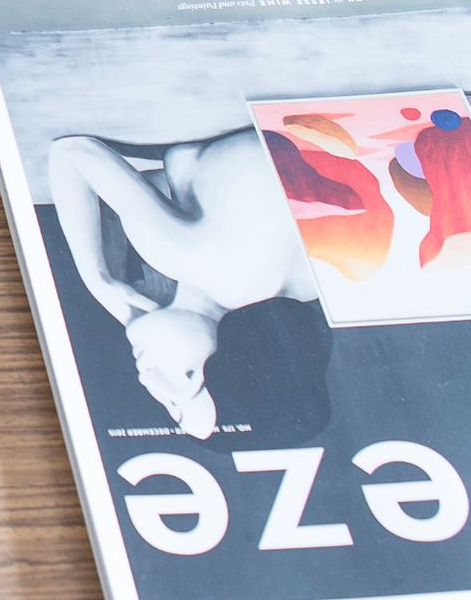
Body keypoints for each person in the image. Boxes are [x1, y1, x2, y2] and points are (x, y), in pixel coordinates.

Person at [48, 129, 322, 440]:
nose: (147, 377)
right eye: (188, 379)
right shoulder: (187, 257)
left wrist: (133, 312)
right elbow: (72, 152)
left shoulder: (290, 289)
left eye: (169, 404)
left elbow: (147, 185)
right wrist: (97, 278)